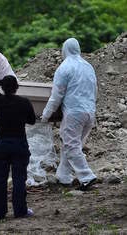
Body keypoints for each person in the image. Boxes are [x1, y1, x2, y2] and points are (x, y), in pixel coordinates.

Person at [41, 38, 97, 190]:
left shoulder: (64, 68)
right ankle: (63, 176)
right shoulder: (88, 66)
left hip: (74, 113)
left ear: (64, 49)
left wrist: (46, 115)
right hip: (90, 112)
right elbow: (94, 90)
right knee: (71, 145)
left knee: (71, 146)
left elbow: (56, 95)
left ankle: (87, 177)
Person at [0, 75, 36, 219]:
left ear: (3, 88)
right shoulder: (24, 102)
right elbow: (32, 121)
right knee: (19, 178)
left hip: (2, 143)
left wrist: (2, 82)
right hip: (19, 143)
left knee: (0, 179)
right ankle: (20, 211)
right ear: (17, 87)